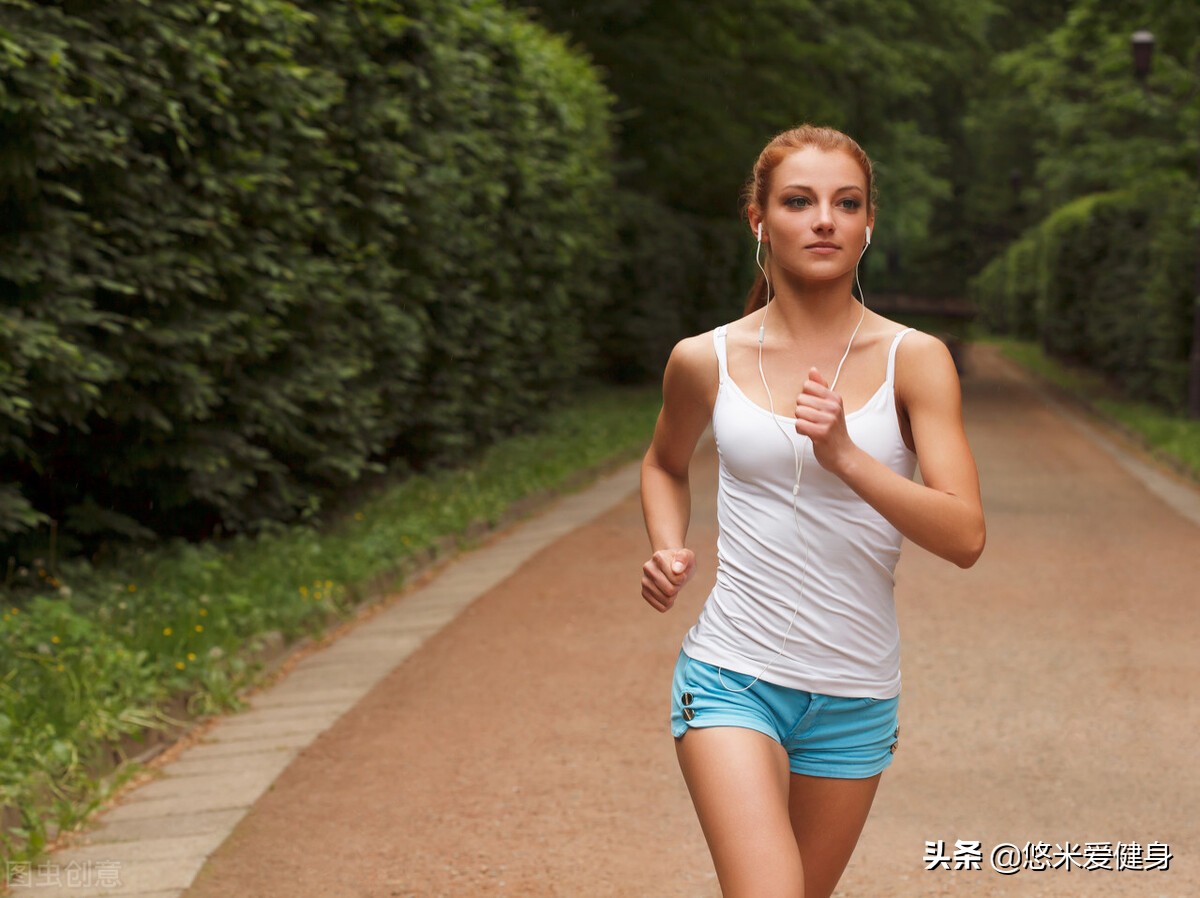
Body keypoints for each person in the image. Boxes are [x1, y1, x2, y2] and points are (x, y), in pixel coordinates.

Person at [639, 124, 985, 898]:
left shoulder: (915, 360)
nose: (824, 219)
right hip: (733, 675)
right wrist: (667, 544)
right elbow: (664, 464)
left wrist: (848, 457)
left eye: (846, 203)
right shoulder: (705, 358)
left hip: (856, 693)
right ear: (759, 220)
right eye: (799, 201)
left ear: (868, 225)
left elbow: (965, 535)